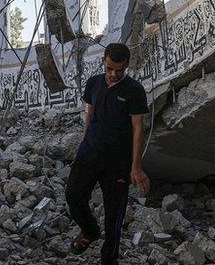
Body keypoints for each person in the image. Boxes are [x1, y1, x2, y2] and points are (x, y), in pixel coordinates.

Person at [65, 42, 150, 264]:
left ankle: (108, 260)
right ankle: (90, 231)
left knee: (114, 218)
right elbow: (89, 116)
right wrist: (83, 144)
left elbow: (138, 129)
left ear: (127, 66)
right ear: (103, 61)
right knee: (73, 197)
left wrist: (136, 167)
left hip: (117, 163)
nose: (113, 74)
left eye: (119, 70)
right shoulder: (93, 84)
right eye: (109, 68)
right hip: (89, 154)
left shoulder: (134, 91)